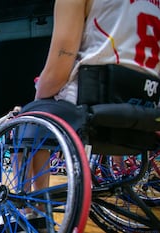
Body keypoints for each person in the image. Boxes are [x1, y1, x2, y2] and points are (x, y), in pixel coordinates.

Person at [30, 0, 160, 206]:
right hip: (146, 110)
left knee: (29, 121)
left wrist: (37, 101)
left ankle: (34, 209)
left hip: (94, 103)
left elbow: (58, 69)